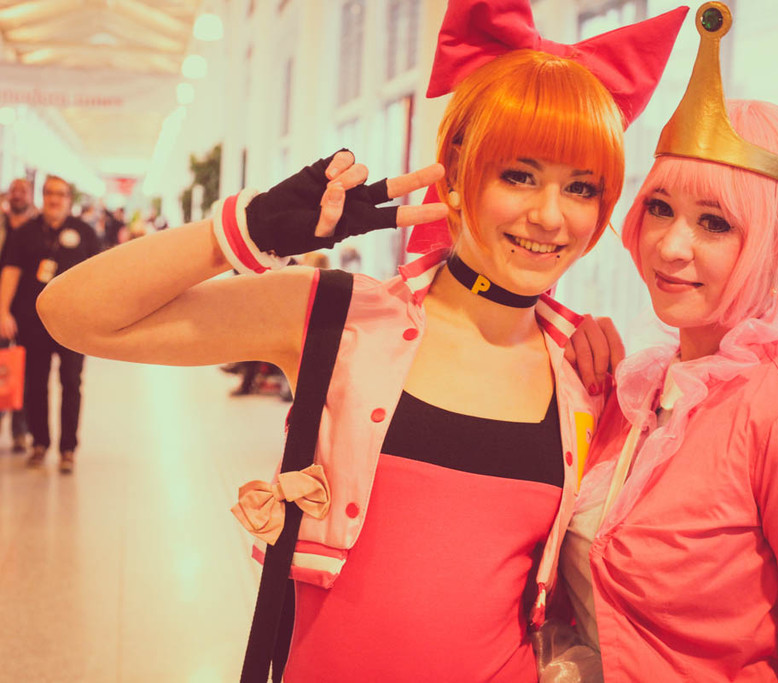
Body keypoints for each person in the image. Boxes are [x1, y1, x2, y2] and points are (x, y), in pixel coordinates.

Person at [36, 1, 686, 679]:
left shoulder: (590, 376)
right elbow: (72, 313)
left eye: (580, 187)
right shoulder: (340, 317)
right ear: (456, 169)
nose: (550, 216)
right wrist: (247, 232)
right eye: (518, 175)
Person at [554, 3, 778, 681]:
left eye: (714, 223)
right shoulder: (645, 384)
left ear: (772, 243)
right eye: (660, 209)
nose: (671, 246)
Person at [0, 175, 101, 473]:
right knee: (35, 383)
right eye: (49, 193)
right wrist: (3, 311)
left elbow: (98, 277)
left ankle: (68, 448)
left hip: (74, 324)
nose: (54, 199)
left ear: (69, 199)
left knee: (71, 382)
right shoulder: (25, 233)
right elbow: (11, 272)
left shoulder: (85, 232)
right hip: (32, 322)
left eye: (60, 194)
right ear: (42, 197)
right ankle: (39, 442)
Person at [0, 178, 37, 453]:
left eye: (23, 190)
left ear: (30, 195)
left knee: (26, 371)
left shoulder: (38, 228)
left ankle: (20, 431)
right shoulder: (2, 226)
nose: (18, 194)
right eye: (14, 190)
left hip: (26, 309)